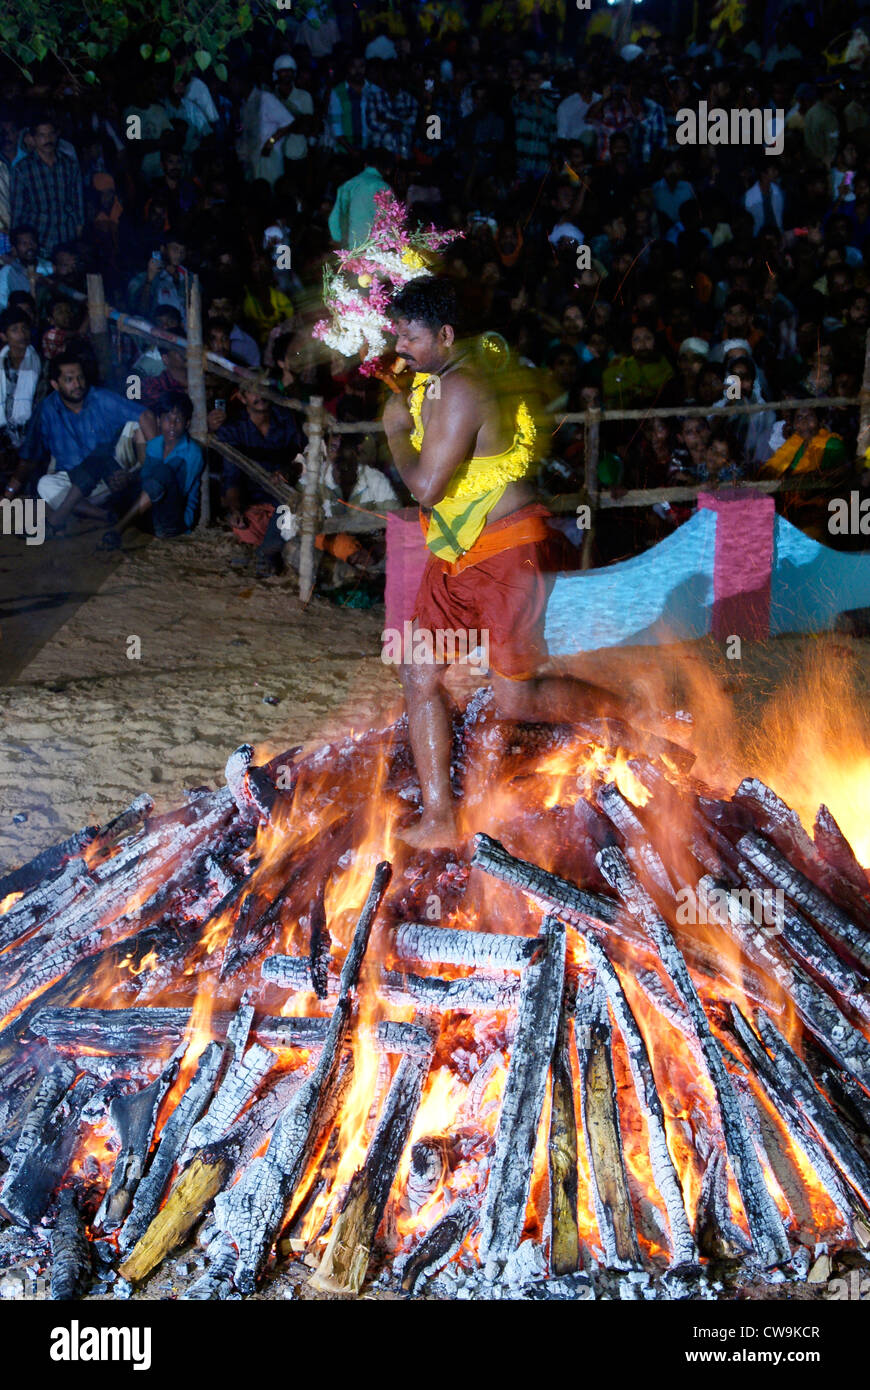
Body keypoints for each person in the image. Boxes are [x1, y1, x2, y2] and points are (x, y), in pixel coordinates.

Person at [383, 276, 629, 850]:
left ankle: (623, 712)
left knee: (516, 698)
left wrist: (395, 431)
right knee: (419, 672)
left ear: (445, 335)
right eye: (397, 333)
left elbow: (425, 488)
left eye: (410, 337)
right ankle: (441, 816)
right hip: (457, 553)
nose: (400, 347)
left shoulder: (463, 387)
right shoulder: (439, 376)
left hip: (506, 552)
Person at [14, 351, 156, 522]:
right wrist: (10, 491)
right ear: (55, 384)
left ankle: (67, 515)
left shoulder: (101, 398)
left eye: (80, 378)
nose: (77, 384)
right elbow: (30, 455)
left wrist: (149, 470)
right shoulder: (46, 410)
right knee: (45, 485)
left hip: (114, 475)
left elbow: (146, 416)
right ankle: (106, 515)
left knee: (136, 426)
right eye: (69, 380)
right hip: (75, 483)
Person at [100, 391, 203, 548]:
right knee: (122, 488)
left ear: (187, 423)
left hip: (174, 521)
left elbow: (182, 491)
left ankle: (117, 529)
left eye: (178, 420)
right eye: (167, 418)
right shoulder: (155, 445)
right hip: (151, 517)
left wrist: (157, 481)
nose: (172, 424)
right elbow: (146, 478)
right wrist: (130, 478)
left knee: (162, 471)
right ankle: (121, 519)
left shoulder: (193, 452)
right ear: (158, 420)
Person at [10, 117, 84, 256]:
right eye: (42, 135)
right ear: (33, 139)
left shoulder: (70, 165)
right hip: (37, 235)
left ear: (56, 135)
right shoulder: (22, 169)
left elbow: (77, 200)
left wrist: (78, 228)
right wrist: (17, 242)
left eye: (50, 134)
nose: (47, 139)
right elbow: (17, 209)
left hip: (66, 234)